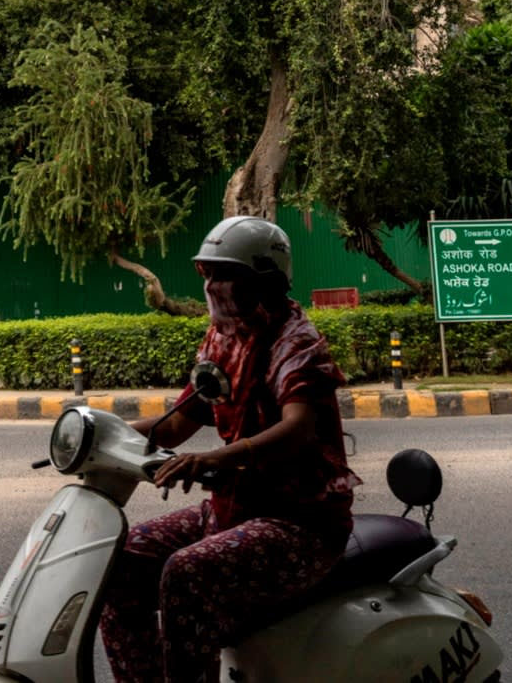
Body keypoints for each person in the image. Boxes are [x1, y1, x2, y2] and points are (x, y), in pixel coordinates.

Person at [99, 217, 359, 683]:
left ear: (264, 281)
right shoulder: (222, 339)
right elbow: (178, 423)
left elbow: (297, 428)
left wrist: (213, 459)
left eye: (226, 274)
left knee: (184, 572)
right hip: (232, 509)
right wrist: (97, 433)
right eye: (209, 274)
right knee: (117, 561)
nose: (213, 286)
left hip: (299, 522)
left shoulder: (297, 342)